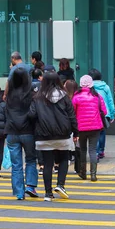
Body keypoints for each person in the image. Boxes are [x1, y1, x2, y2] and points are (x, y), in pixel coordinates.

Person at [30, 72, 78, 201]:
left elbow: (32, 115)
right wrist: (76, 132)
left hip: (43, 135)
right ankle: (60, 185)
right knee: (63, 159)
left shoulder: (37, 97)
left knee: (47, 163)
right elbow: (72, 116)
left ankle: (47, 193)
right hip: (63, 134)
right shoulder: (65, 97)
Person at [5, 67, 38, 200]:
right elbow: (34, 113)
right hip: (28, 131)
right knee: (30, 159)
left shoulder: (9, 95)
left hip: (12, 131)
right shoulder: (30, 94)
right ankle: (30, 185)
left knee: (16, 164)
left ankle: (19, 192)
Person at [72, 75, 107, 182]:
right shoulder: (97, 96)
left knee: (82, 150)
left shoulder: (76, 96)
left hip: (81, 128)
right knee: (92, 150)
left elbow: (72, 112)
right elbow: (104, 112)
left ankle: (83, 173)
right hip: (95, 127)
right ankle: (93, 174)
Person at [89, 69, 115, 159]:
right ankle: (101, 151)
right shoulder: (105, 87)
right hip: (105, 113)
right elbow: (110, 101)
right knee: (102, 133)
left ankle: (95, 152)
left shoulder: (89, 88)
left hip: (92, 113)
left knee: (94, 133)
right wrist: (112, 114)